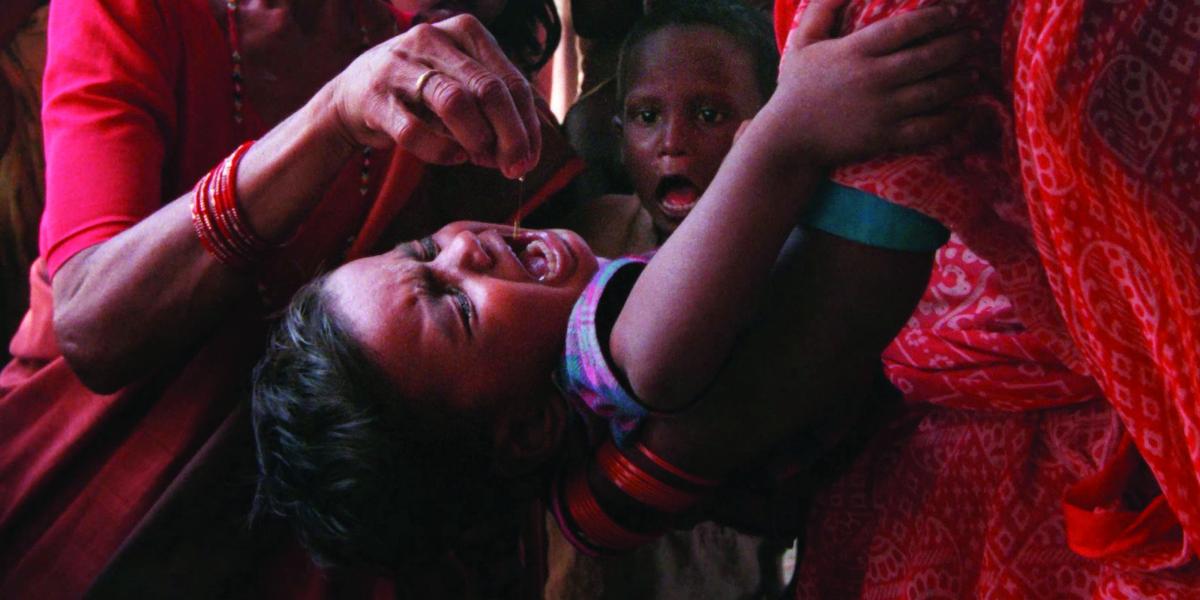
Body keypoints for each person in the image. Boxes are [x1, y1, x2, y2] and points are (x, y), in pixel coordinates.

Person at [250, 2, 973, 591]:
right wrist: (793, 122)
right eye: (456, 305)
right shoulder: (612, 355)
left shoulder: (603, 476)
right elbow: (654, 353)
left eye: (425, 251)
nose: (465, 248)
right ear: (529, 430)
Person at [0, 0, 574, 597]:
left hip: (330, 533)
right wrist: (332, 118)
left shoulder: (435, 49)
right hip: (76, 491)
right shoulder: (135, 11)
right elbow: (93, 327)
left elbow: (550, 275)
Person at [751, 0, 1200, 596]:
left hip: (1054, 470)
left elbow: (821, 327)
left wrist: (780, 137)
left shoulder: (886, 22)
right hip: (1124, 438)